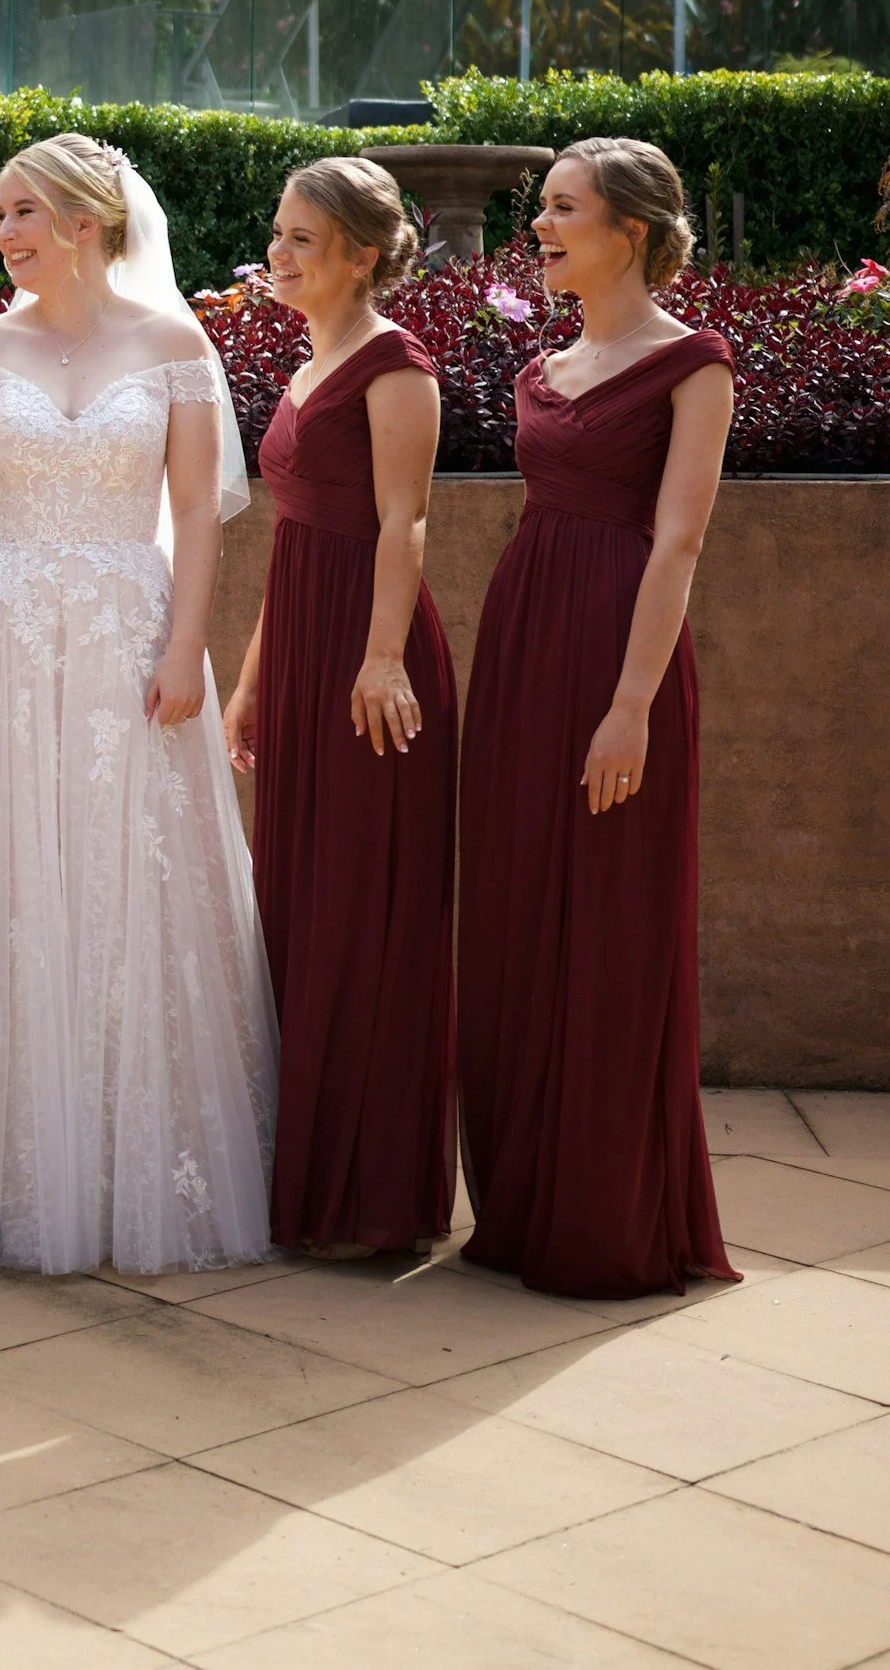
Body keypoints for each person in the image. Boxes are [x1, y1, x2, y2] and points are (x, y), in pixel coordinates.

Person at [0, 134, 277, 1275]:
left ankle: (122, 1168)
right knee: (5, 884)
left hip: (127, 642)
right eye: (1, 213)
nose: (5, 231)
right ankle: (0, 1164)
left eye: (23, 211)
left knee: (123, 883)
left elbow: (195, 515)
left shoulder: (174, 342)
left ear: (87, 220)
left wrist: (188, 647)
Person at [457, 136, 739, 1299]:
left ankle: (604, 1223)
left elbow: (676, 542)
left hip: (620, 662)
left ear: (629, 229)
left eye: (562, 210)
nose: (540, 227)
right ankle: (520, 1208)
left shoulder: (693, 366)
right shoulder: (542, 368)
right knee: (516, 918)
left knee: (611, 929)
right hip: (523, 649)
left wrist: (628, 707)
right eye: (541, 209)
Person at [224, 158, 456, 1259]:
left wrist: (376, 659)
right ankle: (305, 1182)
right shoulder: (306, 361)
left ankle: (370, 1201)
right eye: (277, 234)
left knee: (367, 916)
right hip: (307, 651)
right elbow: (293, 536)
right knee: (300, 906)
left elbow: (401, 526)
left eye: (301, 239)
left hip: (374, 668)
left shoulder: (394, 367)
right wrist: (253, 677)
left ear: (363, 253)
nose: (278, 254)